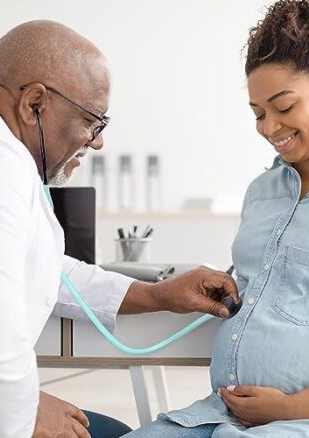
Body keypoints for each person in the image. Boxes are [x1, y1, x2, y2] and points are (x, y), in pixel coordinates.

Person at [0, 20, 239, 438]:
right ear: (34, 102)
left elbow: (44, 270)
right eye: (93, 121)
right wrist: (29, 408)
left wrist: (156, 294)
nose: (97, 141)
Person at [123, 1, 309, 437]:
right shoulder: (262, 193)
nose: (268, 127)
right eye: (258, 113)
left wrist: (290, 406)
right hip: (215, 414)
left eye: (283, 106)